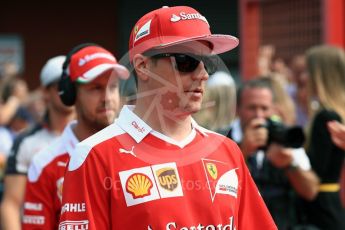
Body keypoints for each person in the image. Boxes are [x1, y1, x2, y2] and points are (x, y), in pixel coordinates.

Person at [59, 6, 276, 230]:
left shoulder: (227, 151)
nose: (202, 75)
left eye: (207, 62)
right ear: (143, 66)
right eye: (186, 61)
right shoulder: (94, 155)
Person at [21, 44, 129, 229]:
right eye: (95, 88)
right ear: (70, 95)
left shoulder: (140, 150)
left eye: (112, 87)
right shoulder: (44, 164)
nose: (107, 97)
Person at [226, 78, 319, 230]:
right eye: (252, 108)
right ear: (237, 109)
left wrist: (289, 164)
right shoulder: (222, 139)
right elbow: (212, 187)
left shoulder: (284, 135)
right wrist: (243, 151)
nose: (259, 115)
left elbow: (311, 191)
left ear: (273, 109)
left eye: (264, 108)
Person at [0, 56, 75, 230]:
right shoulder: (26, 142)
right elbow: (11, 204)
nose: (68, 91)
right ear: (45, 92)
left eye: (73, 85)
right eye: (60, 85)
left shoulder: (96, 136)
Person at [297, 45, 345, 230]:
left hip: (321, 212)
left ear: (321, 75)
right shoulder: (332, 113)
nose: (304, 77)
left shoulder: (326, 117)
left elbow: (315, 172)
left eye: (308, 71)